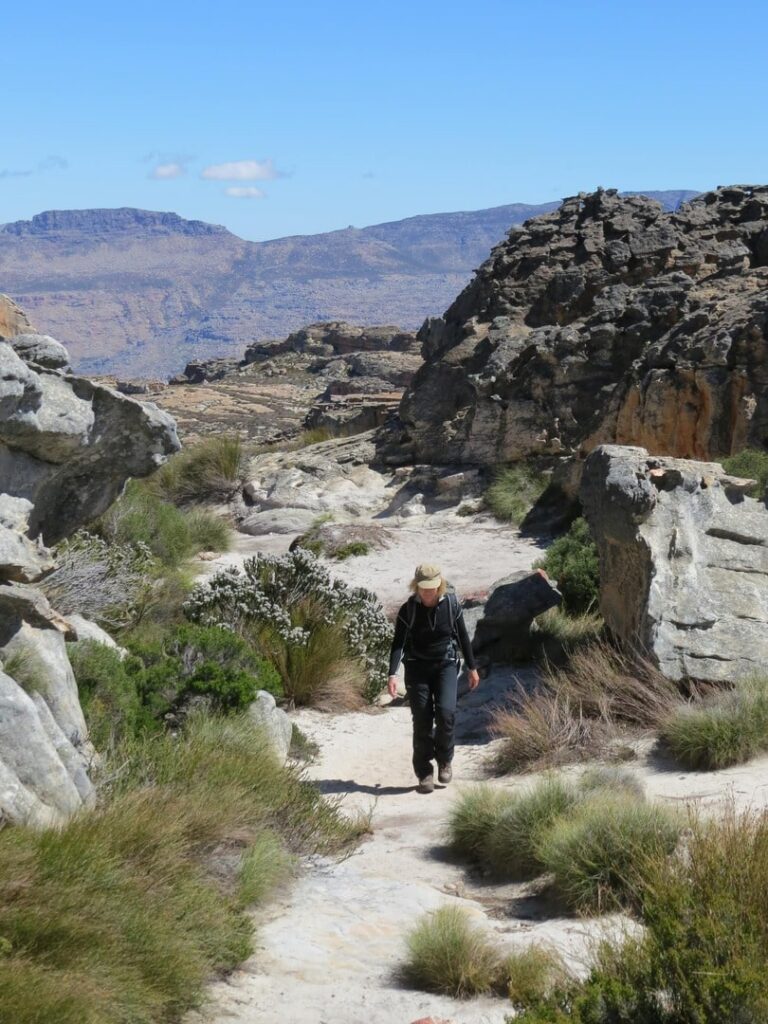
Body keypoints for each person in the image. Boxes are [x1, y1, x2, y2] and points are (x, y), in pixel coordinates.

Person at [387, 563, 480, 793]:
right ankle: (424, 771)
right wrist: (392, 673)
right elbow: (398, 644)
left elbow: (463, 638)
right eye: (423, 588)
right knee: (422, 719)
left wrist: (472, 667)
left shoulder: (451, 605)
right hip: (417, 668)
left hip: (445, 666)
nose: (428, 592)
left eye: (432, 588)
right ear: (416, 587)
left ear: (440, 585)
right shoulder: (408, 610)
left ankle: (445, 760)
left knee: (446, 713)